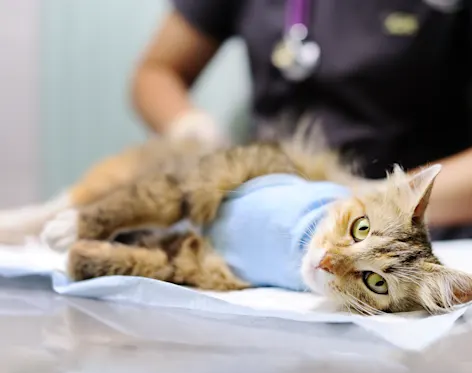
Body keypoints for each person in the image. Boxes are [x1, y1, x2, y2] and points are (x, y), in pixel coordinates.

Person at [0, 0, 470, 243]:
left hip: (418, 230)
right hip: (272, 202)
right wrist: (190, 129)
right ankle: (56, 215)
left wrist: (373, 201)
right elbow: (156, 72)